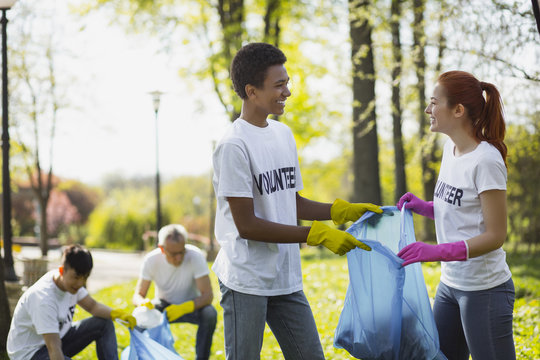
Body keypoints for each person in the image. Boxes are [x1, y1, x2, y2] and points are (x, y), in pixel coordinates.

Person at [212, 42, 382, 360]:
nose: (287, 91)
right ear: (251, 91)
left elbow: (293, 203)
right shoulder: (233, 146)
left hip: (285, 276)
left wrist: (338, 211)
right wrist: (313, 234)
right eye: (279, 85)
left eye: (287, 83)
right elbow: (247, 225)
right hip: (246, 279)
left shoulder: (282, 135)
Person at [396, 70, 515, 360]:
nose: (428, 110)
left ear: (458, 110)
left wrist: (436, 251)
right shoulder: (451, 150)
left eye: (434, 102)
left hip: (484, 290)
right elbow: (460, 211)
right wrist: (424, 207)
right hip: (450, 286)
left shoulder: (486, 160)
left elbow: (496, 235)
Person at [7, 244, 136, 360]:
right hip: (31, 354)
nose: (80, 283)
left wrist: (117, 314)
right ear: (62, 270)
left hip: (59, 339)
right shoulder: (44, 298)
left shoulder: (69, 283)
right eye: (76, 277)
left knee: (104, 323)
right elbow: (53, 348)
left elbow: (93, 306)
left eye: (85, 278)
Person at [133, 223, 217, 360]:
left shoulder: (195, 256)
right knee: (138, 319)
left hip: (191, 306)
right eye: (173, 254)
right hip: (163, 306)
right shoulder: (151, 260)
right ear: (161, 248)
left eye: (181, 252)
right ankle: (143, 356)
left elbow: (208, 296)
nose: (179, 258)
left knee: (209, 313)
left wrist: (185, 307)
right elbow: (137, 295)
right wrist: (143, 303)